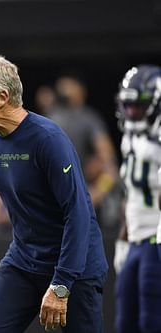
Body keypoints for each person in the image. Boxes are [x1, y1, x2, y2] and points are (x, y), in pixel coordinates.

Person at [0, 55, 108, 333]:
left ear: (2, 97)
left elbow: (77, 214)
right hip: (24, 262)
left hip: (75, 269)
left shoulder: (48, 139)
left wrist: (62, 284)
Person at [113, 64, 161, 333]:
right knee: (125, 323)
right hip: (136, 242)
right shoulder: (130, 139)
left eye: (140, 106)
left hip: (157, 239)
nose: (132, 113)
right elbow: (129, 195)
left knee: (152, 322)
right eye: (128, 105)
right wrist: (123, 238)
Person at [46, 74, 120, 227]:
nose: (65, 90)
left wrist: (95, 194)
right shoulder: (48, 118)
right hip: (52, 198)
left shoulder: (89, 119)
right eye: (63, 86)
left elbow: (109, 163)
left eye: (70, 86)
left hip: (80, 196)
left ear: (81, 90)